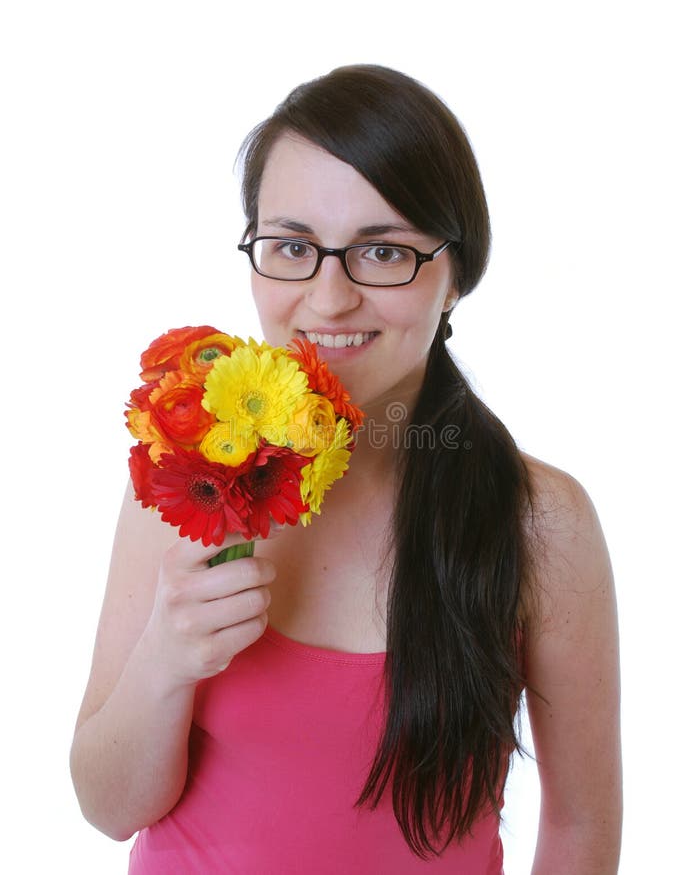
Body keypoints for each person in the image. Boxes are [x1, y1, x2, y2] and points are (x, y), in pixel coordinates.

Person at [70, 64, 622, 873]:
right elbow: (108, 809)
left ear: (456, 274)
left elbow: (578, 829)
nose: (328, 300)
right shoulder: (188, 484)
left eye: (383, 252)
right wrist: (167, 655)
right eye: (292, 246)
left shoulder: (539, 522)